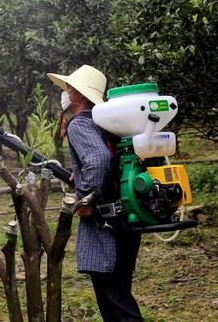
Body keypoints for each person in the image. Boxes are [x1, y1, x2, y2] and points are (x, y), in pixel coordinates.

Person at [47, 65, 143, 322]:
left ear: (80, 95)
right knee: (120, 292)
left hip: (105, 223)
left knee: (114, 300)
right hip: (126, 219)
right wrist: (80, 174)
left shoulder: (80, 123)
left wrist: (86, 197)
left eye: (69, 88)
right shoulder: (104, 124)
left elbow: (98, 158)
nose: (65, 93)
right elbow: (107, 160)